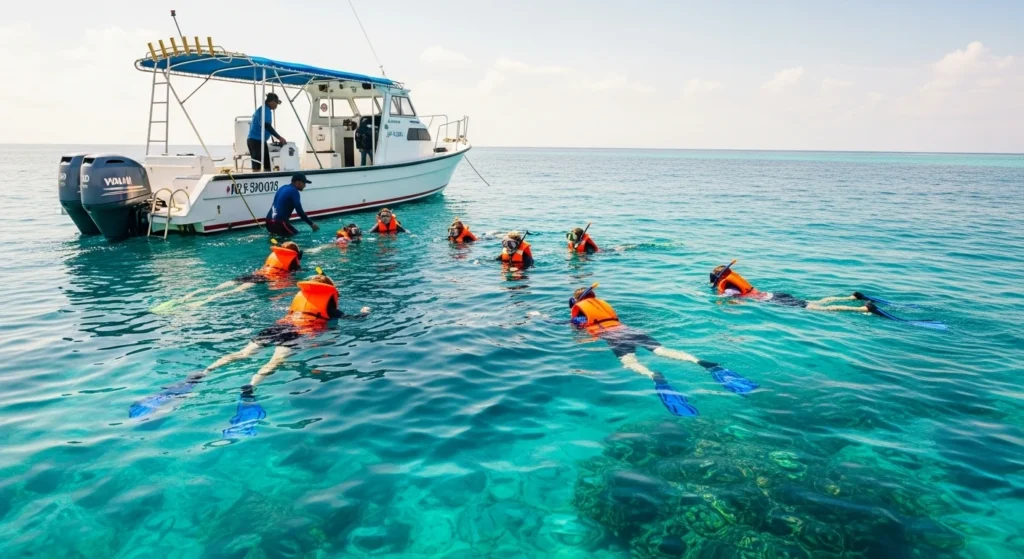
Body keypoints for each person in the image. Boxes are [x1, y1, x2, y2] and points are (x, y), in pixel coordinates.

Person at [130, 270, 371, 433]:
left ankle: (202, 373)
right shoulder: (329, 303)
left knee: (241, 354)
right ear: (329, 290)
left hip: (276, 326)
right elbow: (351, 320)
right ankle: (250, 387)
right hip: (296, 333)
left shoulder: (300, 297)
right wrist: (364, 312)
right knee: (273, 363)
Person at [568, 284, 758, 416]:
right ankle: (700, 362)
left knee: (630, 363)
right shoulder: (604, 306)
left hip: (613, 337)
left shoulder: (580, 314)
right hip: (631, 330)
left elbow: (579, 330)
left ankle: (654, 376)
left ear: (576, 301)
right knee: (661, 350)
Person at [149, 241, 303, 314]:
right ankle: (197, 304)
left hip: (255, 274)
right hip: (264, 279)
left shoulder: (274, 255)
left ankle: (182, 300)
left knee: (215, 288)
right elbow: (288, 278)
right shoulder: (293, 262)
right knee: (229, 293)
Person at [709, 262, 871, 312]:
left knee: (816, 308)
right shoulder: (734, 279)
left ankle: (861, 310)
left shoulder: (728, 288)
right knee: (814, 301)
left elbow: (736, 301)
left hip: (770, 302)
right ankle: (851, 298)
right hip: (774, 294)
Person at [247, 92, 287, 172]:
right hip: (256, 140)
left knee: (263, 163)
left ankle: (261, 177)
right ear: (272, 102)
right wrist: (279, 137)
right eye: (276, 103)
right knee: (260, 164)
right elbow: (266, 125)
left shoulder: (263, 109)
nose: (277, 105)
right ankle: (258, 180)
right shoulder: (265, 110)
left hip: (256, 140)